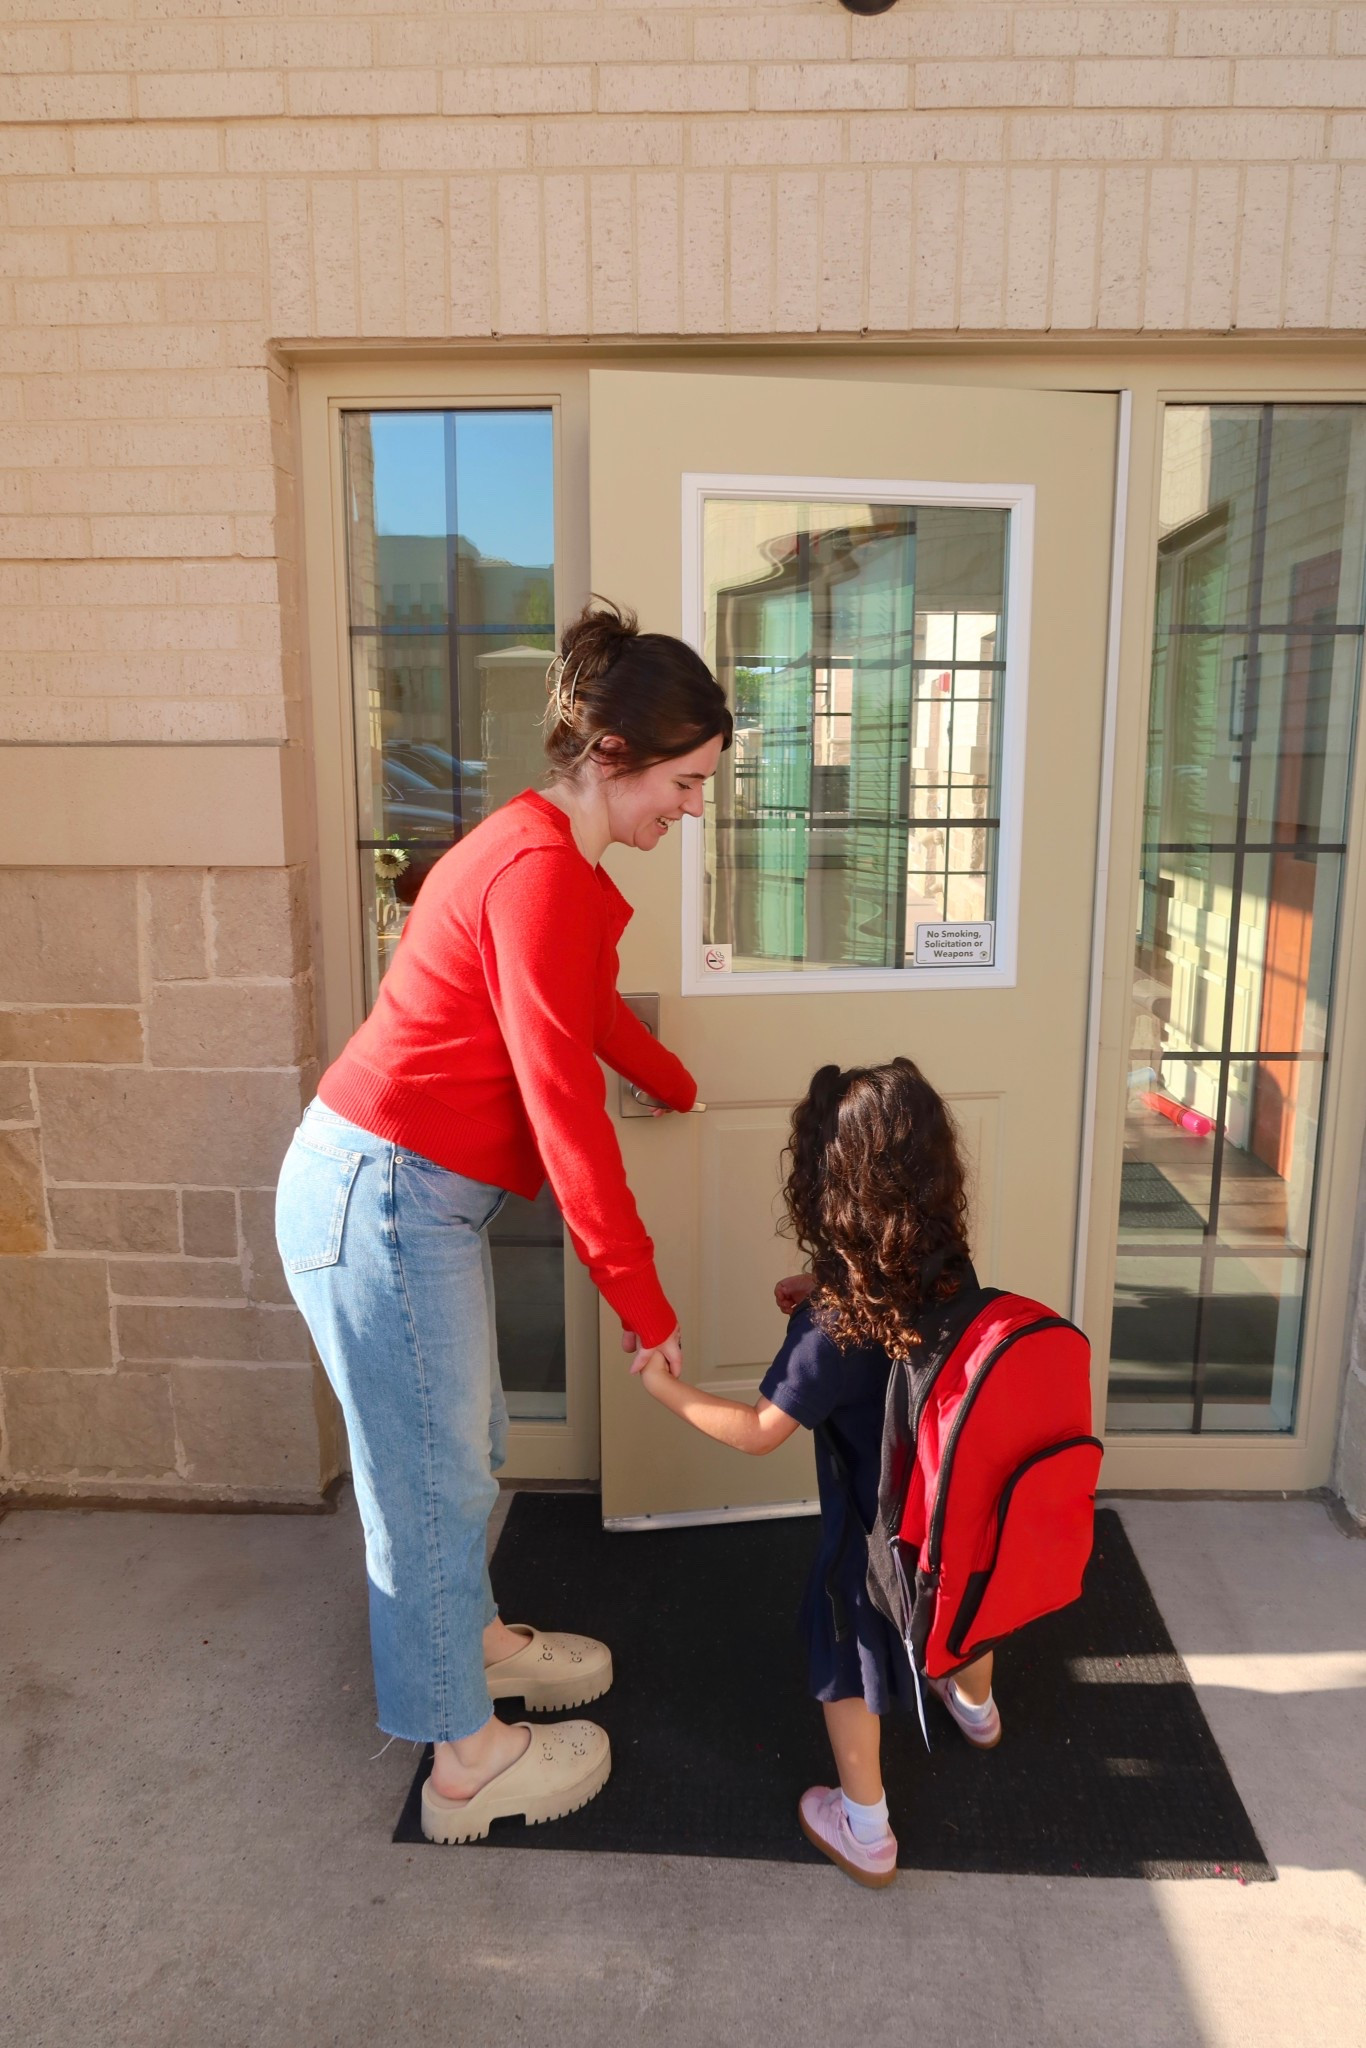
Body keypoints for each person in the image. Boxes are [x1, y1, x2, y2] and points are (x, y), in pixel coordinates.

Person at [275, 600, 732, 1845]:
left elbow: (590, 1013)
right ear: (612, 754)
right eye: (684, 782)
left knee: (460, 1443)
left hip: (405, 1195)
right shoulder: (534, 871)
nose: (690, 809)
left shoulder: (555, 860)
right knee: (423, 1482)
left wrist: (686, 1082)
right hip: (379, 1195)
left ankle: (470, 1641)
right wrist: (644, 1304)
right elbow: (562, 1106)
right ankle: (467, 1762)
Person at [639, 1058, 999, 1888]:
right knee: (966, 1600)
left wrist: (666, 1389)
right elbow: (900, 1326)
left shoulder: (832, 1327)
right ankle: (975, 1709)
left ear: (829, 1191)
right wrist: (823, 1283)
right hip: (953, 1505)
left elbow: (759, 1431)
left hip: (874, 1535)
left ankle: (865, 1827)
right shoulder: (950, 1266)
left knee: (849, 1651)